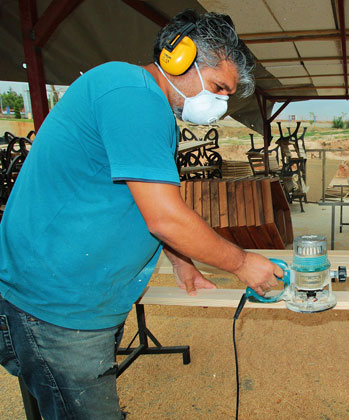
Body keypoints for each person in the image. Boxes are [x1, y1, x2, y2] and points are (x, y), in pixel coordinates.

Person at [0, 10, 281, 419]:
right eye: (219, 88)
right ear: (179, 59)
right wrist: (241, 263)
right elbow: (165, 217)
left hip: (75, 297)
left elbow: (141, 200)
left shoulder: (139, 100)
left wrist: (182, 263)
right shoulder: (132, 96)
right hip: (57, 308)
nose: (220, 104)